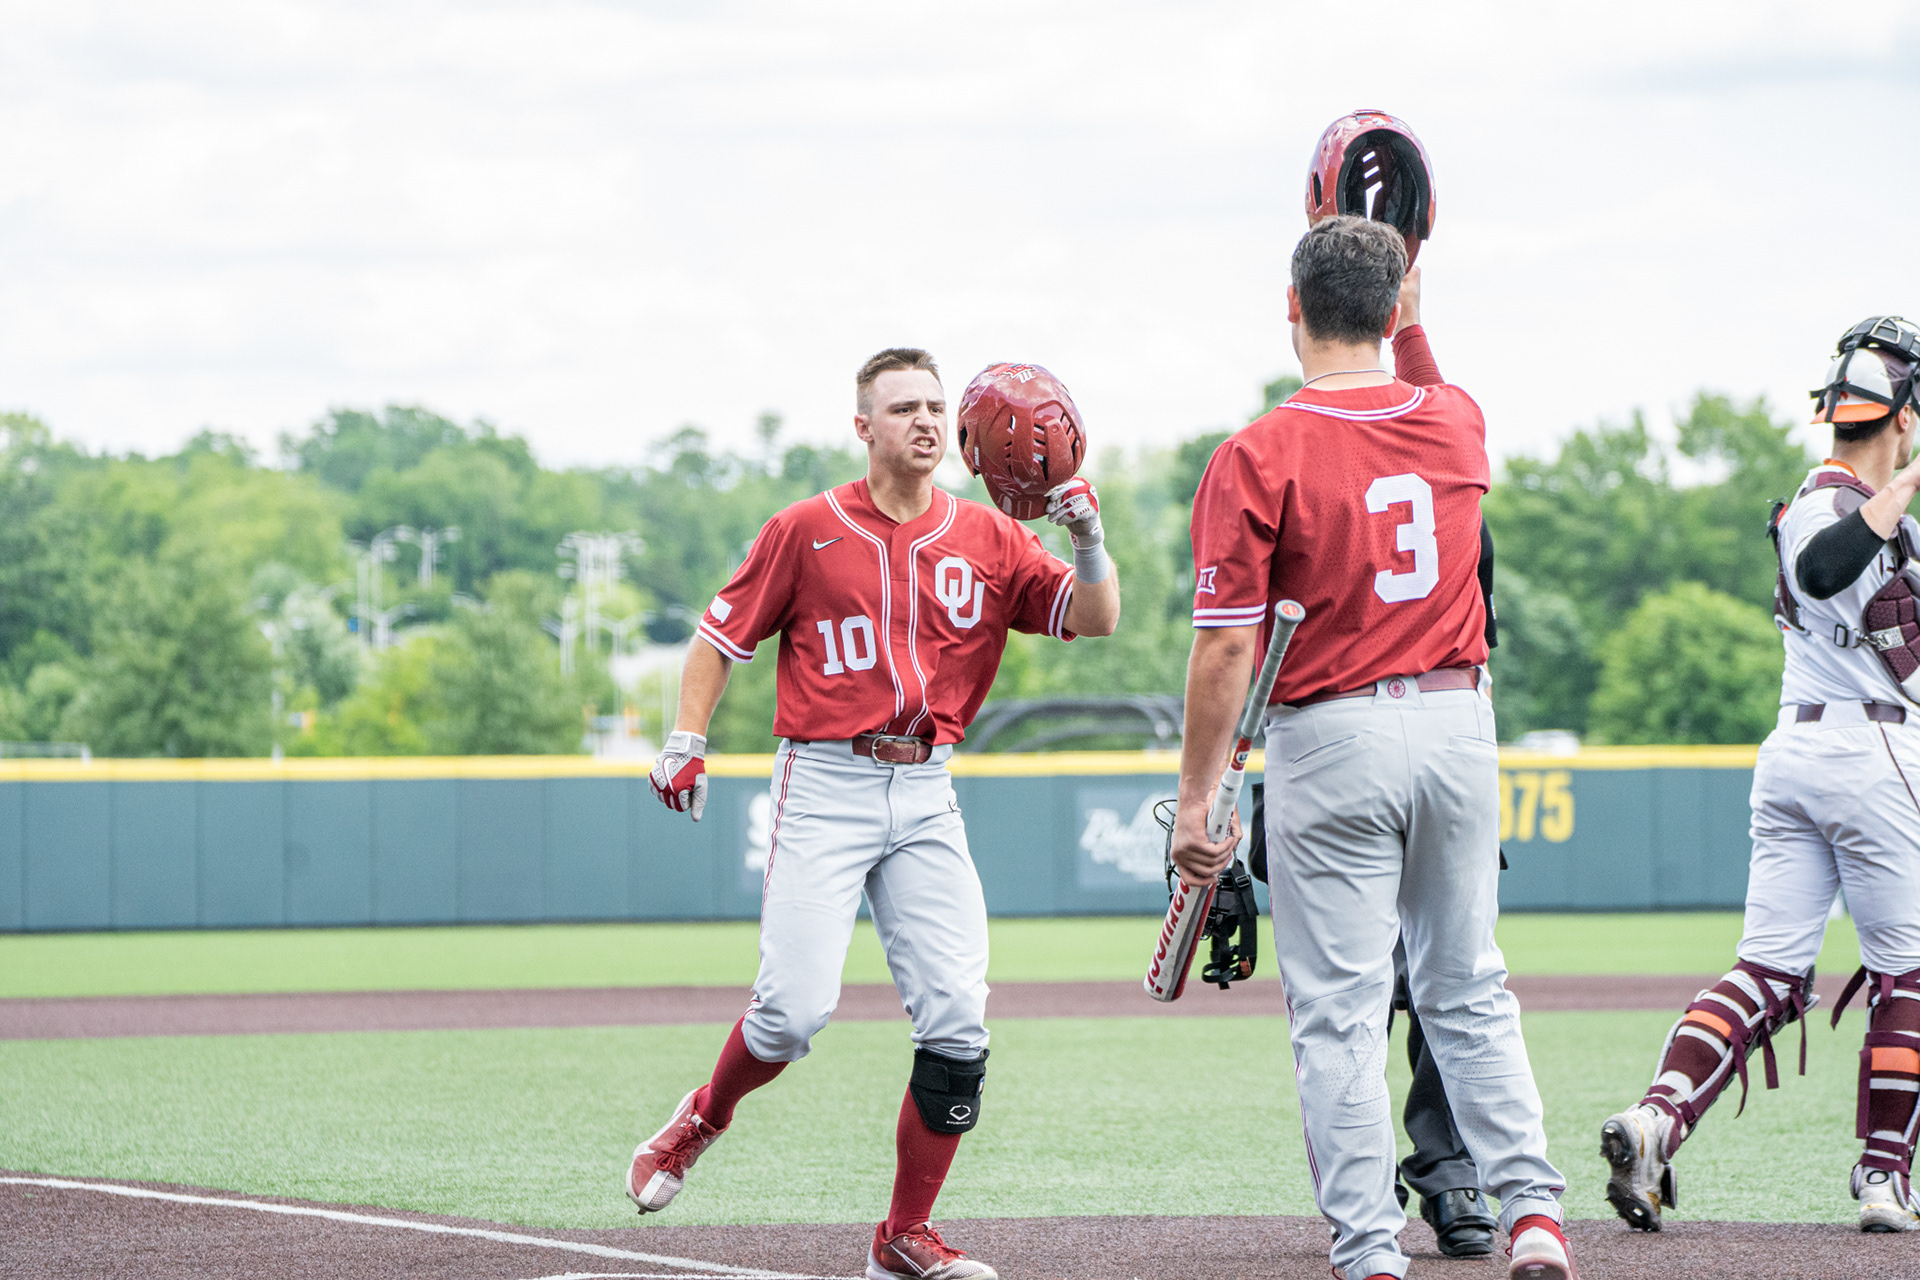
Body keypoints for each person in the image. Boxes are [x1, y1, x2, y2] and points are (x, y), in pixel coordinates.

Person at [637, 347, 1119, 1280]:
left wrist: (1088, 537)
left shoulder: (988, 536)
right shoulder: (806, 529)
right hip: (826, 782)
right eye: (903, 409)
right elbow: (718, 637)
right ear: (865, 428)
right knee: (789, 1017)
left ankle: (903, 1234)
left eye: (938, 407)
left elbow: (1093, 619)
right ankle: (702, 1118)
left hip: (928, 787)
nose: (927, 422)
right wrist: (686, 740)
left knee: (959, 1025)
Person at [1171, 216, 1574, 1280]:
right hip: (1456, 722)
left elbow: (1223, 652)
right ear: (1396, 314)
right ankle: (1534, 1210)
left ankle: (1369, 1250)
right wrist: (1414, 307)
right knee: (1468, 981)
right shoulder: (1454, 420)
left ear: (1291, 310)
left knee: (1339, 1011)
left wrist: (1197, 796)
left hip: (1332, 730)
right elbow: (1430, 379)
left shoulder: (1256, 450)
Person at [1600, 316, 1920, 1235]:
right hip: (1870, 753)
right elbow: (1825, 568)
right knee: (1909, 975)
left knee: (1772, 974)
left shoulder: (1852, 507)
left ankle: (1657, 1120)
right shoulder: (1834, 505)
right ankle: (1885, 1179)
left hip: (1796, 754)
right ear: (1902, 416)